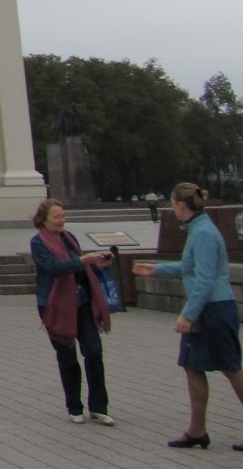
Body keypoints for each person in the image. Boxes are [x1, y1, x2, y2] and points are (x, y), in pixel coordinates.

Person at [133, 183, 243, 449]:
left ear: (181, 206)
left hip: (213, 310)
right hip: (210, 308)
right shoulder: (199, 229)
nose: (171, 209)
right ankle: (197, 430)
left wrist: (188, 314)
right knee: (192, 365)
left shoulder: (203, 232)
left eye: (172, 204)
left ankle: (197, 429)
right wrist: (157, 270)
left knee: (231, 367)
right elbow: (190, 267)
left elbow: (205, 278)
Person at [31, 198, 114, 426]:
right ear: (44, 219)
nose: (61, 220)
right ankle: (74, 406)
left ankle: (99, 407)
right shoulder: (38, 242)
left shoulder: (69, 238)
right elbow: (53, 267)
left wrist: (96, 262)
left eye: (63, 216)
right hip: (56, 306)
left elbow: (80, 266)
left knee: (94, 351)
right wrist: (82, 260)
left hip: (82, 302)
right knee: (68, 357)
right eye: (56, 217)